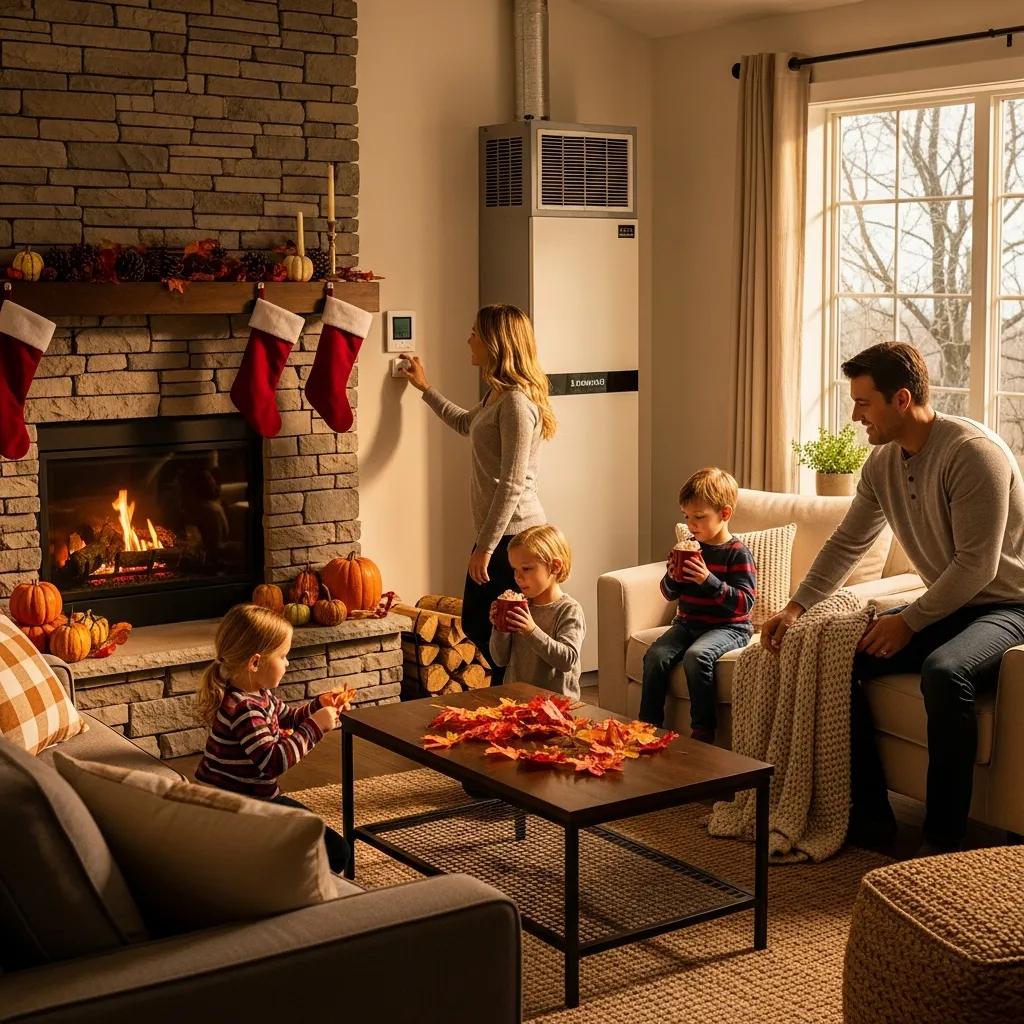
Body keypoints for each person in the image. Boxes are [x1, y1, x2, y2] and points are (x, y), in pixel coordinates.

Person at [761, 342, 1024, 854]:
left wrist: (910, 623)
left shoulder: (974, 455)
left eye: (864, 403)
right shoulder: (881, 463)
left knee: (946, 673)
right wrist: (795, 608)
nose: (855, 416)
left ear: (901, 400)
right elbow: (846, 542)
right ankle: (870, 820)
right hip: (950, 603)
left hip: (1009, 606)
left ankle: (944, 840)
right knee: (839, 657)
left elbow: (978, 566)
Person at [402, 304, 556, 684]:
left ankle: (518, 701)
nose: (468, 338)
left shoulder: (518, 404)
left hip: (517, 536)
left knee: (493, 625)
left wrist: (485, 548)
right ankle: (511, 699)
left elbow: (512, 482)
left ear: (495, 341)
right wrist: (425, 388)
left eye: (475, 332)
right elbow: (463, 423)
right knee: (483, 623)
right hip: (499, 534)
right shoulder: (497, 397)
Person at [194, 603, 349, 872]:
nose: (287, 663)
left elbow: (287, 717)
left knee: (321, 841)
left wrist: (317, 705)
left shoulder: (257, 694)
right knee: (336, 852)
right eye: (283, 656)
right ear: (255, 662)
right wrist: (316, 726)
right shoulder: (243, 708)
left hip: (252, 798)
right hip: (240, 808)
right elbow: (274, 761)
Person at [638, 468, 756, 743]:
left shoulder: (737, 553)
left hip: (729, 627)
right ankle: (646, 726)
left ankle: (703, 731)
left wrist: (707, 579)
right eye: (687, 517)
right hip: (689, 622)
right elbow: (668, 594)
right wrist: (672, 576)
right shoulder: (688, 547)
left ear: (724, 514)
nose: (691, 524)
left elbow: (744, 603)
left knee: (697, 656)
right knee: (656, 656)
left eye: (699, 517)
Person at [488, 524, 586, 700]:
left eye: (526, 568)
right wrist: (499, 627)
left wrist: (531, 630)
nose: (518, 577)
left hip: (556, 707)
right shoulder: (520, 606)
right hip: (516, 702)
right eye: (515, 569)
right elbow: (499, 659)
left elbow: (567, 660)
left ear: (555, 566)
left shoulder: (569, 610)